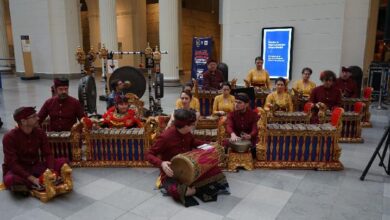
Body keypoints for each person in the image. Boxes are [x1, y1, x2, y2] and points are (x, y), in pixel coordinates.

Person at [146, 109, 230, 207]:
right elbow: (148, 154)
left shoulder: (186, 132)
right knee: (176, 191)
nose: (193, 126)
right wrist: (162, 163)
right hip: (172, 173)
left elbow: (193, 141)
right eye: (192, 125)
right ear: (185, 126)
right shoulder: (165, 137)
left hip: (189, 168)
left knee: (215, 171)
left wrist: (209, 144)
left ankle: (192, 189)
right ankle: (193, 189)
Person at [2, 107, 67, 195]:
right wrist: (32, 178)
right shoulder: (9, 137)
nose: (38, 118)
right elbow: (12, 164)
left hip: (36, 166)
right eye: (33, 117)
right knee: (10, 179)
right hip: (19, 170)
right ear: (23, 121)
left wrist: (50, 171)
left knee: (63, 162)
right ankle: (29, 184)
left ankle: (29, 185)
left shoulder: (40, 132)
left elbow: (48, 154)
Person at [226, 93, 259, 157]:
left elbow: (255, 128)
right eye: (235, 102)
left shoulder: (253, 114)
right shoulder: (231, 114)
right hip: (236, 138)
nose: (236, 104)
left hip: (249, 139)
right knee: (225, 145)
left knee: (255, 149)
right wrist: (232, 134)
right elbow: (229, 125)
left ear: (246, 104)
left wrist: (250, 135)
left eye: (239, 102)